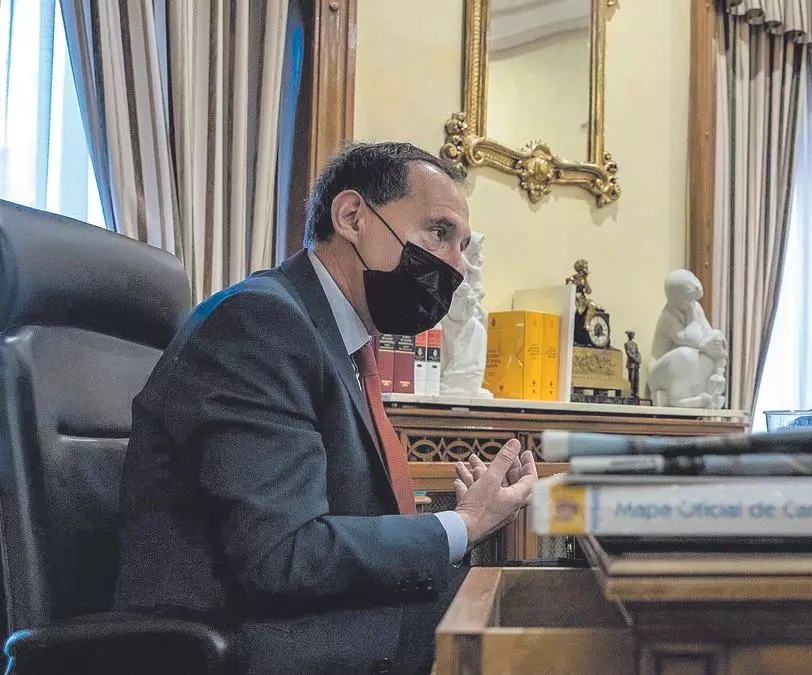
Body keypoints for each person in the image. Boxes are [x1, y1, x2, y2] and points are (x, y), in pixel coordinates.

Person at [112, 142, 537, 675]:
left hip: (309, 618)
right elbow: (284, 554)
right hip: (241, 640)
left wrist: (461, 520)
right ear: (352, 217)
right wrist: (462, 524)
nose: (456, 264)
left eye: (462, 245)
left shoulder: (334, 337)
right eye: (439, 232)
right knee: (531, 641)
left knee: (520, 607)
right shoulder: (262, 323)